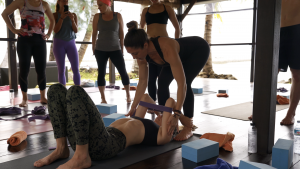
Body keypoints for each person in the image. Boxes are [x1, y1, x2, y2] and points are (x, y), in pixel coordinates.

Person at [33, 83, 179, 168]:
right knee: (55, 90)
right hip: (95, 135)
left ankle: (82, 157)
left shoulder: (162, 136)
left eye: (167, 119)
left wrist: (174, 116)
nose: (163, 118)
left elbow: (170, 102)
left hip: (106, 145)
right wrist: (160, 113)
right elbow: (145, 98)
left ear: (170, 126)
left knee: (75, 91)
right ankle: (61, 149)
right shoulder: (139, 120)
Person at [124, 21, 210, 141]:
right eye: (131, 54)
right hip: (175, 57)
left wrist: (177, 114)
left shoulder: (165, 47)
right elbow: (143, 81)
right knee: (162, 83)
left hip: (197, 50)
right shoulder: (141, 56)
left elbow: (181, 84)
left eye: (135, 53)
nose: (134, 57)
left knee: (187, 81)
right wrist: (133, 106)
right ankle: (166, 118)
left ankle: (188, 126)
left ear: (145, 45)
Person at [249, 0, 300, 125]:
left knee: (297, 75)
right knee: (269, 73)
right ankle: (260, 110)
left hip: (298, 27)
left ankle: (291, 113)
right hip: (275, 26)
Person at [2, 0, 55, 107]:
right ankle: (24, 99)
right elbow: (4, 13)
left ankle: (43, 97)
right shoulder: (21, 2)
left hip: (40, 41)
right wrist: (13, 29)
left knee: (41, 69)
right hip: (24, 41)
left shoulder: (44, 4)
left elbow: (52, 20)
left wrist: (48, 34)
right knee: (24, 69)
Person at [140, 0, 180, 101]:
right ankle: (152, 103)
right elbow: (140, 29)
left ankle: (164, 106)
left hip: (163, 46)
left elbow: (177, 28)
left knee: (162, 79)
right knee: (151, 78)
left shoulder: (167, 8)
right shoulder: (146, 10)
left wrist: (177, 44)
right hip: (150, 47)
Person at [92, 0, 131, 104]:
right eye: (98, 5)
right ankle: (103, 98)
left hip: (115, 48)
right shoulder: (97, 16)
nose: (99, 7)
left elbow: (121, 34)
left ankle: (128, 95)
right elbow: (94, 33)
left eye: (100, 5)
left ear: (107, 4)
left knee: (123, 71)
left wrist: (122, 48)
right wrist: (93, 47)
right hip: (100, 49)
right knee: (101, 73)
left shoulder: (118, 16)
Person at [52, 0, 81, 86]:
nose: (65, 2)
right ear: (59, 2)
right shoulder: (55, 15)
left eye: (67, 1)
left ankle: (78, 91)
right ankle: (63, 92)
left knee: (75, 68)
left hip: (71, 43)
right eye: (63, 1)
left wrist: (72, 20)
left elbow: (75, 30)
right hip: (59, 44)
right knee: (61, 70)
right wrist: (61, 18)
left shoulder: (73, 15)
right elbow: (55, 30)